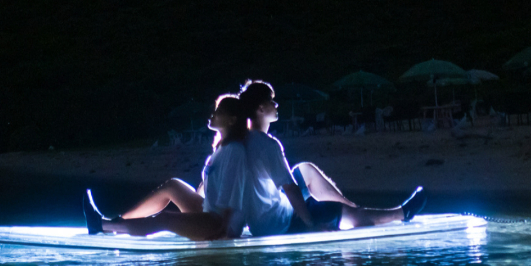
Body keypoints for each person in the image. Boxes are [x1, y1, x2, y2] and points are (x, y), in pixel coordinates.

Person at [236, 79, 426, 235]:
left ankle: (351, 206)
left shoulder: (240, 142)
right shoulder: (267, 145)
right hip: (278, 222)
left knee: (305, 169)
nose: (276, 105)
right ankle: (400, 213)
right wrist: (309, 224)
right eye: (271, 101)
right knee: (345, 215)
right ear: (260, 108)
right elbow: (291, 189)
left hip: (260, 223)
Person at [83, 94, 248, 240]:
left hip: (220, 223)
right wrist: (193, 207)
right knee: (173, 186)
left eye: (219, 112)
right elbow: (208, 186)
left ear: (232, 120)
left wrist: (225, 230)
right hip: (209, 212)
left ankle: (101, 226)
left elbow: (233, 196)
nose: (213, 114)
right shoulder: (220, 148)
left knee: (164, 219)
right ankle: (119, 224)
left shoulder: (235, 151)